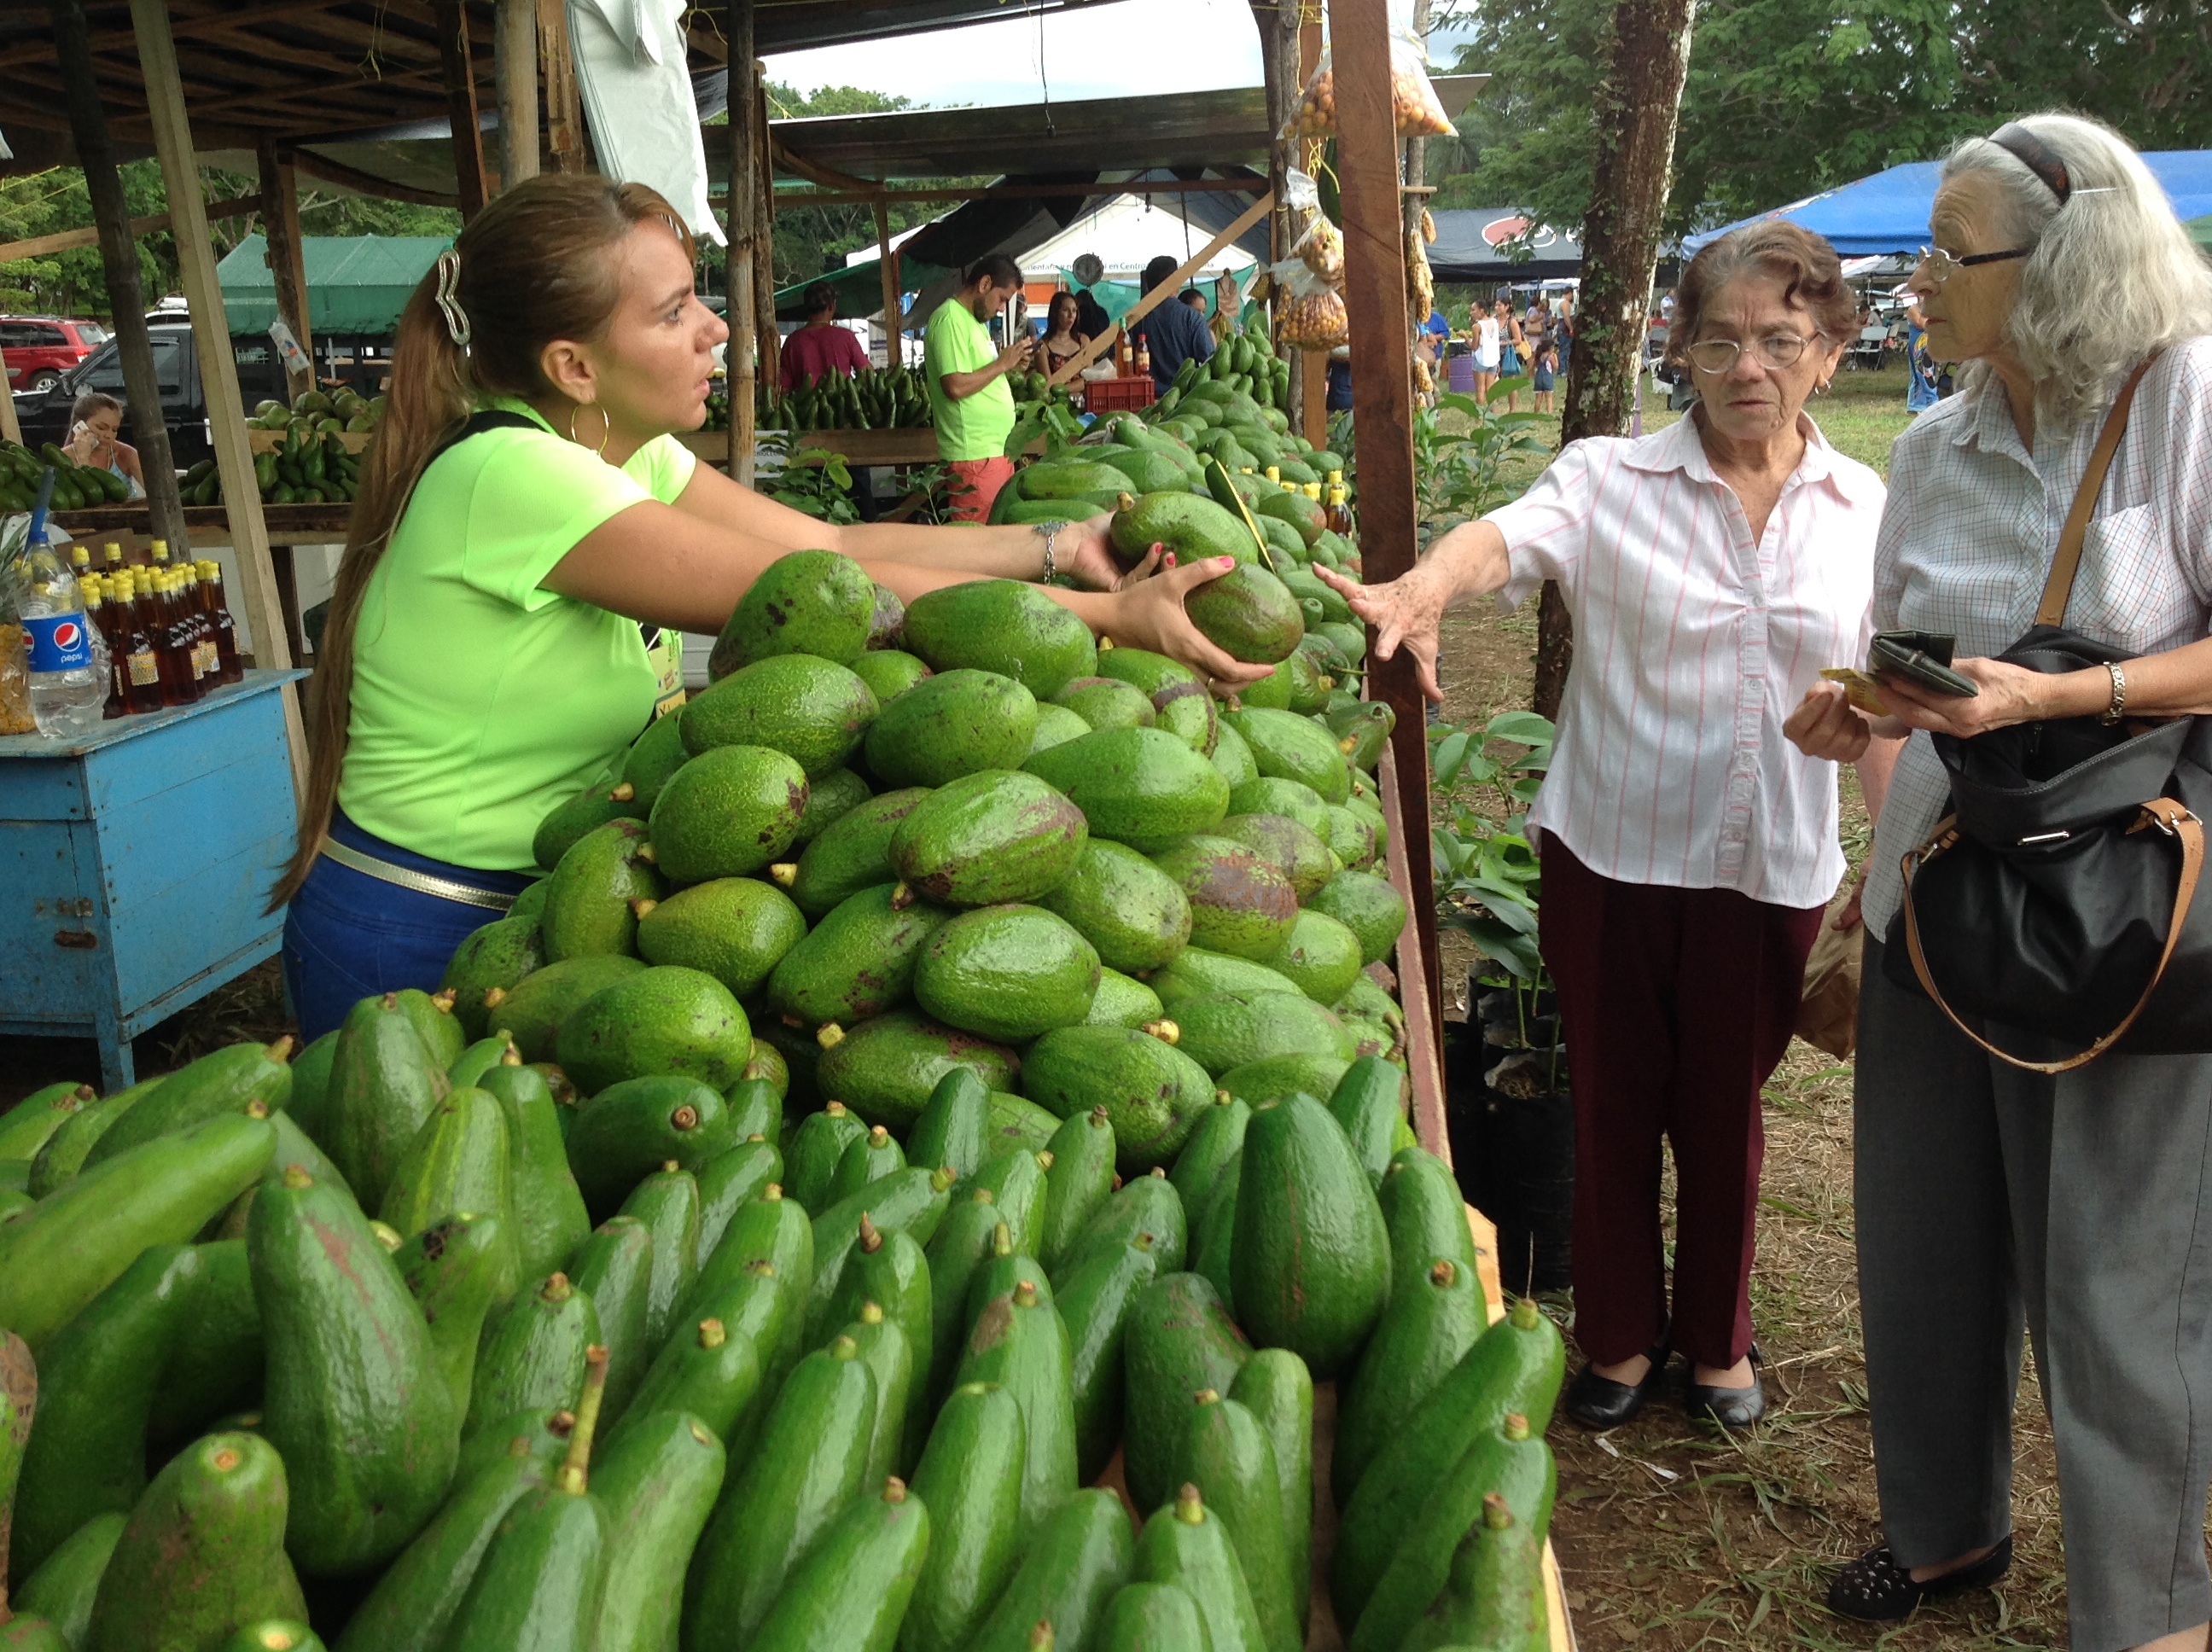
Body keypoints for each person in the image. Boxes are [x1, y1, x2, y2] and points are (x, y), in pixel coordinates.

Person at [273, 175, 1266, 1040]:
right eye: (672, 314)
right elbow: (837, 604)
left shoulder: (618, 448)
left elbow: (833, 551)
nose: (717, 327)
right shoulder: (514, 474)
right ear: (575, 367)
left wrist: (1059, 548)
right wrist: (1103, 620)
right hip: (425, 928)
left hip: (557, 896)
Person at [1320, 219, 1889, 1434]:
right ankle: (1623, 1337)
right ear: (1679, 350)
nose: (1751, 366)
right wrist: (1426, 585)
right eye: (1722, 338)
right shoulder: (1607, 480)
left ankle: (1720, 1343)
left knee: (1728, 1107)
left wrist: (1886, 845)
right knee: (1616, 1097)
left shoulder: (1866, 508)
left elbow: (1892, 691)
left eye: (1783, 339)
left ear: (1831, 352)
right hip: (1614, 854)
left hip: (1771, 863)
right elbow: (1503, 543)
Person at [1784, 113, 2212, 1650]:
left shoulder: (2187, 402)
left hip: (2119, 921)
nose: (1915, 290)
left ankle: (2149, 1612)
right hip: (1935, 892)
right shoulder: (1937, 441)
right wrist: (1863, 712)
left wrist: (2055, 700)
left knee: (2115, 1272)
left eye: (1948, 259)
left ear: (2064, 262)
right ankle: (1944, 1531)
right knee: (1922, 1226)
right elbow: (1916, 654)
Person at [925, 253, 1035, 522]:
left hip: (993, 454)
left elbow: (979, 378)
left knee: (994, 538)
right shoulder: (949, 319)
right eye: (1002, 299)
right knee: (980, 545)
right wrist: (1001, 364)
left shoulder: (975, 323)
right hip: (975, 457)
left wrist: (1010, 366)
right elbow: (955, 386)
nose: (1001, 309)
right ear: (985, 284)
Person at [1128, 254, 1214, 392]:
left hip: (1146, 400)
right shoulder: (1192, 318)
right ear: (1174, 280)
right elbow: (1210, 362)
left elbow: (1125, 362)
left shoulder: (1136, 320)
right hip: (1184, 402)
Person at [777, 282, 870, 389]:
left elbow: (784, 387)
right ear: (831, 306)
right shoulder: (845, 337)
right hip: (842, 404)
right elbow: (867, 374)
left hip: (804, 405)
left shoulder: (792, 342)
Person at [62, 390, 145, 498]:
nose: (109, 435)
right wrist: (83, 458)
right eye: (101, 428)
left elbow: (157, 490)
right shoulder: (64, 457)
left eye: (114, 430)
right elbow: (91, 496)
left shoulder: (125, 454)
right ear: (80, 425)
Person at [1902, 296, 1941, 413]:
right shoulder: (1913, 309)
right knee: (1921, 373)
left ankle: (1918, 403)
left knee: (1927, 372)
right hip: (1918, 345)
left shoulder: (1932, 309)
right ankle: (1930, 400)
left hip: (1928, 344)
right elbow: (1922, 323)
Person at [1039, 291, 1091, 375]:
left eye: (1074, 311)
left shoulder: (1084, 341)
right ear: (1055, 313)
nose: (1071, 315)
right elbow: (1047, 384)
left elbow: (1090, 377)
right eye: (1065, 310)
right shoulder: (1043, 346)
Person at [1494, 299, 1528, 411]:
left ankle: (1512, 409)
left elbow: (1518, 340)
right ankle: (1494, 407)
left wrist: (1504, 343)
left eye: (1500, 305)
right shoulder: (1493, 320)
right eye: (1496, 305)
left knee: (1510, 383)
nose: (1497, 308)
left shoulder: (1511, 322)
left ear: (1507, 306)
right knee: (1494, 382)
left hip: (1507, 355)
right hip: (1494, 355)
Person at [1472, 305, 1501, 401]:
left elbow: (1474, 347)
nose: (1471, 313)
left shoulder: (1477, 326)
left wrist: (1465, 336)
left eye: (1473, 310)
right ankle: (1493, 413)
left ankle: (1480, 415)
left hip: (1481, 359)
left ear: (1482, 310)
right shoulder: (1495, 322)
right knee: (1490, 389)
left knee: (1480, 389)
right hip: (1493, 359)